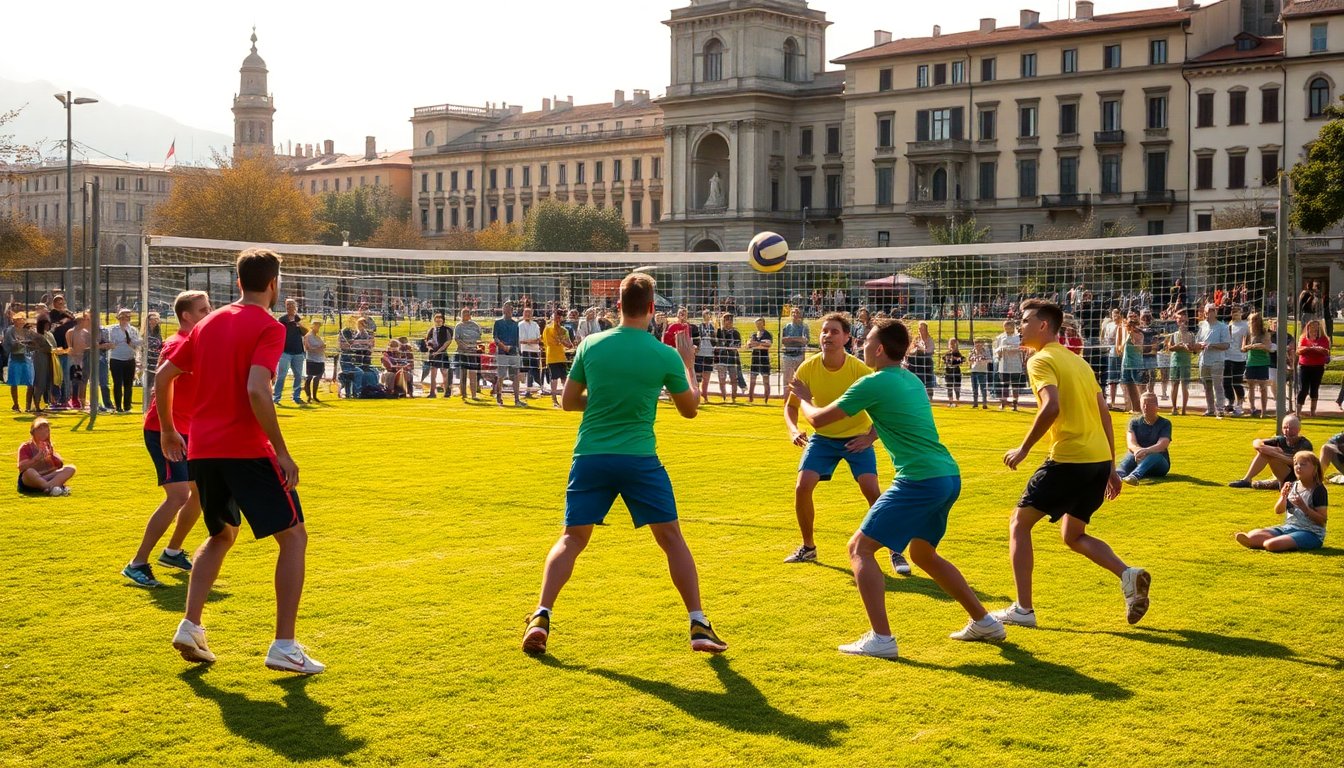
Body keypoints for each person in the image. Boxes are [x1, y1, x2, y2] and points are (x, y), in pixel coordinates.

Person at [521, 272, 727, 657]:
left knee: (571, 539)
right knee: (671, 540)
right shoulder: (663, 353)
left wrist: (605, 403)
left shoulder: (591, 345)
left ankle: (541, 615)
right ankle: (698, 623)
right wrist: (687, 364)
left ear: (618, 305)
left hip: (591, 456)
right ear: (652, 308)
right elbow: (690, 410)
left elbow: (568, 401)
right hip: (638, 459)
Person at [790, 318, 1006, 658]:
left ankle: (882, 639)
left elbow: (817, 420)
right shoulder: (910, 380)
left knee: (859, 549)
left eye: (866, 340)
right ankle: (984, 621)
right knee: (922, 554)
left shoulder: (874, 382)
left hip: (919, 479)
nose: (860, 344)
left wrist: (804, 398)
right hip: (948, 476)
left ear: (878, 349)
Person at [156, 247, 323, 674]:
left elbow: (162, 376)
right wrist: (282, 452)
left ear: (237, 282)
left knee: (221, 535)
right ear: (274, 284)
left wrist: (172, 431)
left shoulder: (208, 322)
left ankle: (190, 625)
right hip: (246, 449)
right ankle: (284, 645)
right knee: (295, 538)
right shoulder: (268, 326)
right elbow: (256, 389)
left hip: (204, 450)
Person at [997, 299, 1151, 628]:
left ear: (1043, 326)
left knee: (1018, 524)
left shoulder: (1040, 361)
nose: (1020, 325)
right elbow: (1104, 413)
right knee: (1073, 535)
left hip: (1070, 458)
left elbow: (1050, 407)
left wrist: (1023, 450)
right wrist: (1110, 467)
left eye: (1025, 320)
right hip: (1096, 461)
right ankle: (1128, 575)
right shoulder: (1079, 363)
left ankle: (1023, 610)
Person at [782, 313, 900, 571]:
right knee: (803, 486)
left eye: (834, 331)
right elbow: (790, 407)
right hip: (823, 439)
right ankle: (808, 548)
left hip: (856, 438)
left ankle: (895, 548)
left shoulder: (859, 369)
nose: (827, 336)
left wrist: (869, 438)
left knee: (871, 490)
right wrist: (792, 430)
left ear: (847, 337)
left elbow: (886, 407)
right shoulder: (807, 368)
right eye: (824, 331)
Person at [123, 291, 213, 589]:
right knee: (178, 496)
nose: (209, 312)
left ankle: (172, 552)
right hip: (166, 430)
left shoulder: (197, 343)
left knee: (200, 493)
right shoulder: (179, 343)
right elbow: (161, 384)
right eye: (203, 309)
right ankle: (137, 564)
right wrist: (168, 430)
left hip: (189, 430)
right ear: (186, 316)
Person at [1235, 451, 1328, 552]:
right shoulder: (1293, 485)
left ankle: (1272, 542)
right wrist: (1283, 496)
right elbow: (1278, 511)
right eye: (1296, 463)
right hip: (1289, 528)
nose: (1298, 467)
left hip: (1311, 533)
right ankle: (1260, 541)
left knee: (1271, 545)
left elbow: (1322, 521)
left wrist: (1303, 507)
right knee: (1253, 535)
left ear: (1314, 469)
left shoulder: (1318, 490)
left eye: (1303, 464)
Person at [1228, 414, 1312, 490]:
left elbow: (1298, 464)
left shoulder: (1305, 444)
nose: (1288, 430)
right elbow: (1256, 442)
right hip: (1283, 472)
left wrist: (1276, 454)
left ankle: (1276, 483)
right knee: (1263, 453)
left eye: (1291, 428)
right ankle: (1247, 480)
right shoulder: (1280, 440)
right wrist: (1267, 449)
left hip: (1298, 476)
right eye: (1285, 427)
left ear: (1298, 429)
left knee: (1268, 454)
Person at [1117, 393, 1172, 486]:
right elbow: (1131, 443)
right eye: (1143, 404)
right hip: (1137, 456)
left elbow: (1163, 444)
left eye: (1149, 404)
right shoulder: (1134, 422)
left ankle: (1134, 476)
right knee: (1126, 461)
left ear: (1156, 406)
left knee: (1155, 456)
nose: (1145, 407)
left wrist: (1146, 451)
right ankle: (1117, 476)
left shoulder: (1165, 423)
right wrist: (1138, 451)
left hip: (1159, 463)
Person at [17, 418, 75, 496]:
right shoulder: (25, 447)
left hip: (48, 476)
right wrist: (36, 458)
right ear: (33, 432)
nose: (43, 433)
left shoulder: (48, 445)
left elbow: (58, 466)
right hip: (32, 479)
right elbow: (22, 467)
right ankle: (52, 487)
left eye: (46, 431)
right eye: (40, 430)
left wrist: (56, 458)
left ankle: (48, 488)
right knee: (29, 472)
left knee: (70, 468)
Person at [1195, 303, 1231, 418]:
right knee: (1207, 386)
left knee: (1217, 386)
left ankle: (1220, 409)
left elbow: (1226, 345)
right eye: (1206, 311)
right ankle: (1210, 409)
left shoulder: (1223, 327)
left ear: (1215, 312)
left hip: (1217, 361)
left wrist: (1211, 345)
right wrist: (1193, 346)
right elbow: (1198, 342)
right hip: (1203, 360)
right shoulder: (1202, 326)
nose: (1208, 313)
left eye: (1211, 311)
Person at [108, 309, 141, 413]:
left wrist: (133, 342)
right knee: (117, 383)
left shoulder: (133, 330)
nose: (124, 320)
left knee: (128, 384)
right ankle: (118, 406)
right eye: (122, 318)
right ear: (119, 318)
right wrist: (118, 342)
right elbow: (111, 342)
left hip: (130, 359)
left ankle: (127, 406)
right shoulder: (113, 329)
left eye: (127, 318)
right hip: (116, 359)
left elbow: (137, 343)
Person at [1296, 319, 1329, 417]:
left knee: (1314, 388)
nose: (1314, 328)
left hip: (1318, 366)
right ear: (1308, 327)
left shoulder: (1323, 339)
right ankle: (1298, 411)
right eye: (1312, 326)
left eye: (1316, 326)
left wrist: (1318, 349)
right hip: (1305, 366)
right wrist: (1307, 349)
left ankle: (1312, 411)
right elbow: (1299, 351)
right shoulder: (1303, 338)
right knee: (1303, 388)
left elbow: (1326, 351)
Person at [1243, 312, 1272, 418]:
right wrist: (1248, 347)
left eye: (1255, 320)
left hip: (1262, 363)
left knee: (1263, 387)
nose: (1253, 323)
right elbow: (1243, 348)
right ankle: (1252, 409)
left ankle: (1264, 411)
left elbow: (1268, 347)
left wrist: (1258, 346)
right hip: (1251, 362)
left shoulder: (1264, 333)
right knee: (1250, 386)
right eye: (1251, 321)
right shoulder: (1248, 334)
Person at [543, 308, 573, 408]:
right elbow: (546, 343)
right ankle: (554, 400)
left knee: (564, 379)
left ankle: (566, 400)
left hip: (561, 357)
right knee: (554, 378)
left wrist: (564, 342)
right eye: (556, 315)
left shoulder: (564, 330)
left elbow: (569, 345)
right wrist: (560, 341)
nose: (557, 317)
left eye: (559, 315)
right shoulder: (548, 328)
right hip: (551, 356)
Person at [1166, 311, 1195, 416]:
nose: (1182, 323)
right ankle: (1174, 408)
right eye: (1180, 320)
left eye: (1184, 320)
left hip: (1186, 362)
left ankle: (1184, 409)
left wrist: (1189, 347)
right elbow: (1170, 347)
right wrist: (1178, 346)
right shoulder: (1174, 335)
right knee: (1174, 385)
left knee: (1185, 386)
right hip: (1175, 362)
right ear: (1177, 321)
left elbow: (1194, 349)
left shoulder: (1191, 335)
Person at [494, 302, 522, 407]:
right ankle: (499, 397)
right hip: (501, 352)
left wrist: (513, 348)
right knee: (501, 375)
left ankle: (517, 399)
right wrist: (503, 346)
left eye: (510, 308)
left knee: (515, 376)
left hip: (513, 352)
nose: (508, 310)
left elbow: (517, 339)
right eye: (506, 308)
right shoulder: (498, 323)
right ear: (503, 310)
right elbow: (495, 338)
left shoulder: (516, 324)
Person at [1223, 305, 1249, 416]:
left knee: (1237, 382)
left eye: (1237, 311)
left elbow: (1247, 340)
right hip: (1227, 356)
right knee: (1226, 382)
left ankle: (1240, 403)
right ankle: (1230, 401)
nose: (1235, 314)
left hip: (1239, 357)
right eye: (1233, 312)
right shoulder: (1228, 325)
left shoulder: (1245, 326)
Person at [994, 320, 1025, 411]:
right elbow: (996, 350)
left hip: (1016, 365)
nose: (1007, 329)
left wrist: (1011, 348)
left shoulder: (1018, 337)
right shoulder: (1000, 337)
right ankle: (1003, 404)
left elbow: (1022, 348)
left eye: (1009, 327)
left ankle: (1015, 405)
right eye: (1005, 327)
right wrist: (1000, 351)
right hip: (1004, 365)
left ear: (1013, 327)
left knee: (1015, 386)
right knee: (1004, 386)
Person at [454, 308, 483, 402]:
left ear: (470, 315)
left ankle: (474, 394)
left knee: (473, 373)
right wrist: (465, 347)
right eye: (463, 314)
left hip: (473, 353)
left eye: (467, 314)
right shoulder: (458, 326)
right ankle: (463, 394)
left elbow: (479, 338)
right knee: (463, 373)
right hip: (462, 352)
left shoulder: (475, 325)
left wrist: (476, 347)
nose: (465, 315)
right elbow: (457, 339)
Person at [1115, 317, 1143, 414]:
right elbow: (1121, 349)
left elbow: (1139, 348)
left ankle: (1141, 407)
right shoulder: (1127, 334)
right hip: (1126, 363)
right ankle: (1135, 408)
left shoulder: (1139, 335)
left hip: (1136, 364)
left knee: (1139, 386)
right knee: (1129, 385)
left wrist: (1133, 338)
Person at [713, 313, 742, 403]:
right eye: (727, 320)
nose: (729, 322)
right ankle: (724, 397)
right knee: (722, 379)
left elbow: (738, 345)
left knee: (734, 378)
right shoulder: (719, 332)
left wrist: (731, 346)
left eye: (730, 320)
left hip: (733, 358)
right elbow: (715, 344)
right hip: (721, 358)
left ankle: (733, 397)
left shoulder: (736, 333)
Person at [425, 312, 453, 399]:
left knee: (444, 372)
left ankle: (447, 391)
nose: (438, 322)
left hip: (442, 353)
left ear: (443, 321)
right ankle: (432, 392)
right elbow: (427, 341)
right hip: (433, 354)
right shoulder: (431, 330)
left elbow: (448, 342)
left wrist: (439, 351)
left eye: (440, 321)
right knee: (433, 373)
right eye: (436, 321)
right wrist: (430, 349)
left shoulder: (447, 330)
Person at [780, 308, 809, 386]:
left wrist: (790, 339)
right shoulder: (786, 327)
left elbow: (805, 341)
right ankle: (786, 396)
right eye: (793, 313)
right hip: (787, 355)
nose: (794, 315)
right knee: (787, 379)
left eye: (797, 313)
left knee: (800, 378)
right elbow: (783, 341)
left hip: (799, 355)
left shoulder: (804, 327)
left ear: (800, 315)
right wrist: (797, 339)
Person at [747, 318, 773, 404]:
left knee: (766, 380)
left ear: (763, 324)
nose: (758, 326)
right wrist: (759, 344)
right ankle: (750, 398)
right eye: (757, 324)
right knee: (752, 380)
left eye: (760, 324)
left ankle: (766, 400)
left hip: (764, 359)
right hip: (755, 359)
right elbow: (749, 344)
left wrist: (757, 344)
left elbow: (768, 344)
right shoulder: (753, 334)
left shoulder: (767, 334)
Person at [518, 306, 543, 395]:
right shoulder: (520, 325)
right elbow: (520, 339)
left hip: (535, 350)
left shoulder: (535, 325)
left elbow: (538, 339)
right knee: (528, 370)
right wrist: (530, 341)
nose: (528, 315)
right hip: (525, 350)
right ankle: (528, 390)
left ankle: (539, 387)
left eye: (529, 313)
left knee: (535, 370)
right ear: (523, 314)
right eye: (526, 313)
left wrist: (528, 341)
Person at [694, 309, 717, 398]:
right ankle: (697, 394)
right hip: (700, 353)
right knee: (698, 377)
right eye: (706, 315)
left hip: (709, 353)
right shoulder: (699, 326)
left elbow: (716, 340)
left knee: (706, 377)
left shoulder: (713, 326)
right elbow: (696, 338)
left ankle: (705, 394)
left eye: (709, 315)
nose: (708, 316)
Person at [969, 338, 990, 409]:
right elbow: (969, 361)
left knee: (983, 388)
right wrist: (971, 360)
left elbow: (990, 360)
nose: (977, 346)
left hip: (982, 371)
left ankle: (984, 403)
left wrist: (983, 359)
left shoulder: (986, 352)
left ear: (982, 345)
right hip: (973, 371)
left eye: (979, 344)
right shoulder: (972, 352)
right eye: (976, 344)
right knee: (974, 388)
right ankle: (975, 403)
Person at [943, 338, 965, 407]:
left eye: (954, 343)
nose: (952, 345)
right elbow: (944, 360)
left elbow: (962, 360)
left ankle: (957, 401)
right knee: (949, 386)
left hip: (956, 371)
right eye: (951, 343)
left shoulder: (958, 353)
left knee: (957, 386)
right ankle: (950, 401)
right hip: (948, 371)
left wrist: (956, 359)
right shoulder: (947, 353)